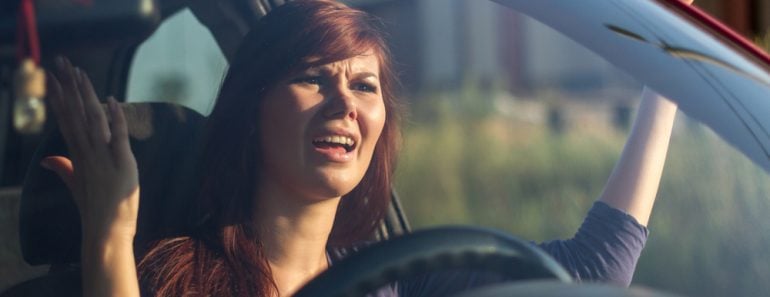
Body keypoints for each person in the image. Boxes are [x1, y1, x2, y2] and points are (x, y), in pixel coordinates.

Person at [41, 0, 684, 296]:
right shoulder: (177, 276)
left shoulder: (399, 281)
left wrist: (670, 80)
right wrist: (110, 230)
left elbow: (593, 272)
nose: (344, 103)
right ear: (251, 105)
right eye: (313, 77)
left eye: (364, 85)